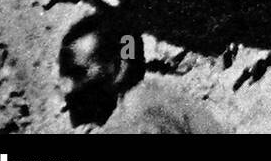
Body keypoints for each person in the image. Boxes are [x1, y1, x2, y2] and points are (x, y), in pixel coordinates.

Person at [58, 9, 226, 133]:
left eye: (77, 73)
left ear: (118, 69)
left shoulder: (135, 120)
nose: (68, 89)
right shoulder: (161, 97)